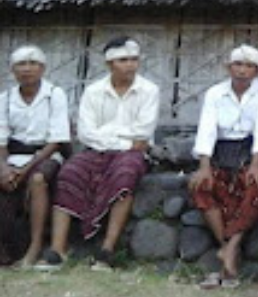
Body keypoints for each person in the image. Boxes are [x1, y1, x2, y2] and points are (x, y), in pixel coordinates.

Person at [39, 36, 160, 270]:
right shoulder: (94, 91)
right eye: (123, 60)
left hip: (130, 153)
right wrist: (122, 138)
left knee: (125, 175)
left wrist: (110, 137)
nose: (130, 65)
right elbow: (85, 133)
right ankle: (57, 249)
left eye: (134, 60)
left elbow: (143, 133)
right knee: (69, 173)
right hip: (99, 149)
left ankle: (107, 250)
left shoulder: (149, 90)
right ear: (110, 64)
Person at [189, 44, 258, 289]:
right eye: (238, 65)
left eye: (249, 66)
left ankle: (230, 248)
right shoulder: (215, 93)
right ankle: (227, 250)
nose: (242, 71)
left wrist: (256, 165)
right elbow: (207, 130)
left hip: (248, 156)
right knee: (202, 187)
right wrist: (204, 166)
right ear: (228, 67)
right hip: (219, 154)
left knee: (257, 187)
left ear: (257, 71)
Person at [0, 46, 71, 267]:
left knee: (38, 180)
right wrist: (4, 168)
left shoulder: (54, 95)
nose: (27, 69)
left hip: (46, 155)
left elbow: (57, 139)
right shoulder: (5, 98)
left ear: (42, 69)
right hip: (13, 157)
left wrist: (26, 169)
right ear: (13, 70)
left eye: (33, 64)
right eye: (21, 64)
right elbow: (1, 138)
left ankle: (35, 246)